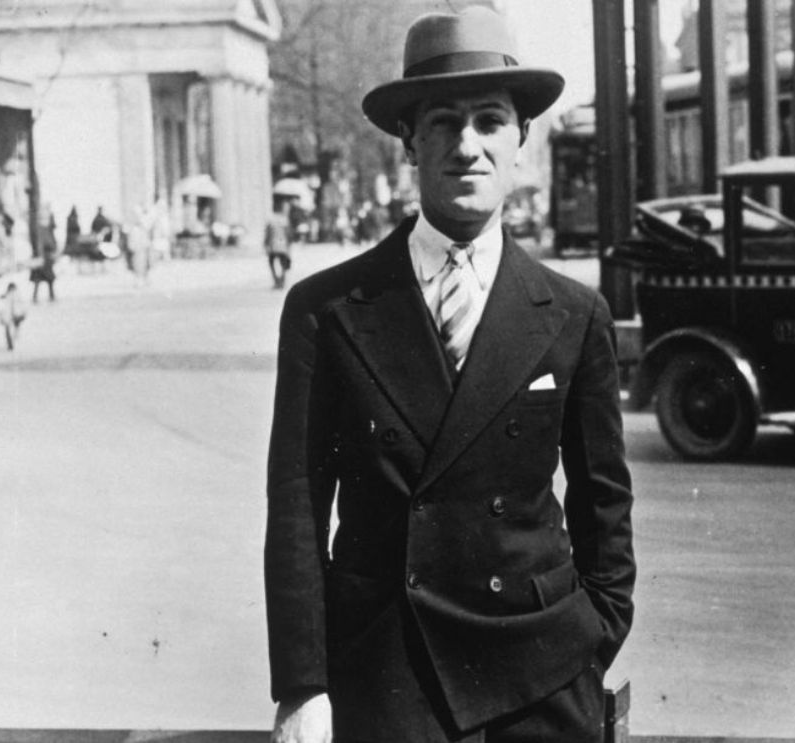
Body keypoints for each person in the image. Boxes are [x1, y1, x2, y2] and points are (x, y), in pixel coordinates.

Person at [265, 7, 635, 743]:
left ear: (520, 138)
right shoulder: (328, 309)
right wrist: (304, 685)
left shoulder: (572, 312)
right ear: (409, 140)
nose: (467, 146)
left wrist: (589, 641)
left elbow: (604, 507)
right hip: (385, 673)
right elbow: (298, 507)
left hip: (539, 674)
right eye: (442, 121)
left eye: (489, 120)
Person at [264, 197, 292, 289]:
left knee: (272, 263)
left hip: (273, 245)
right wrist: (289, 245)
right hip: (283, 244)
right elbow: (288, 233)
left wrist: (265, 244)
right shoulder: (285, 219)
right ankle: (282, 280)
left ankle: (277, 280)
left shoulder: (270, 219)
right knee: (283, 263)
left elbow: (267, 233)